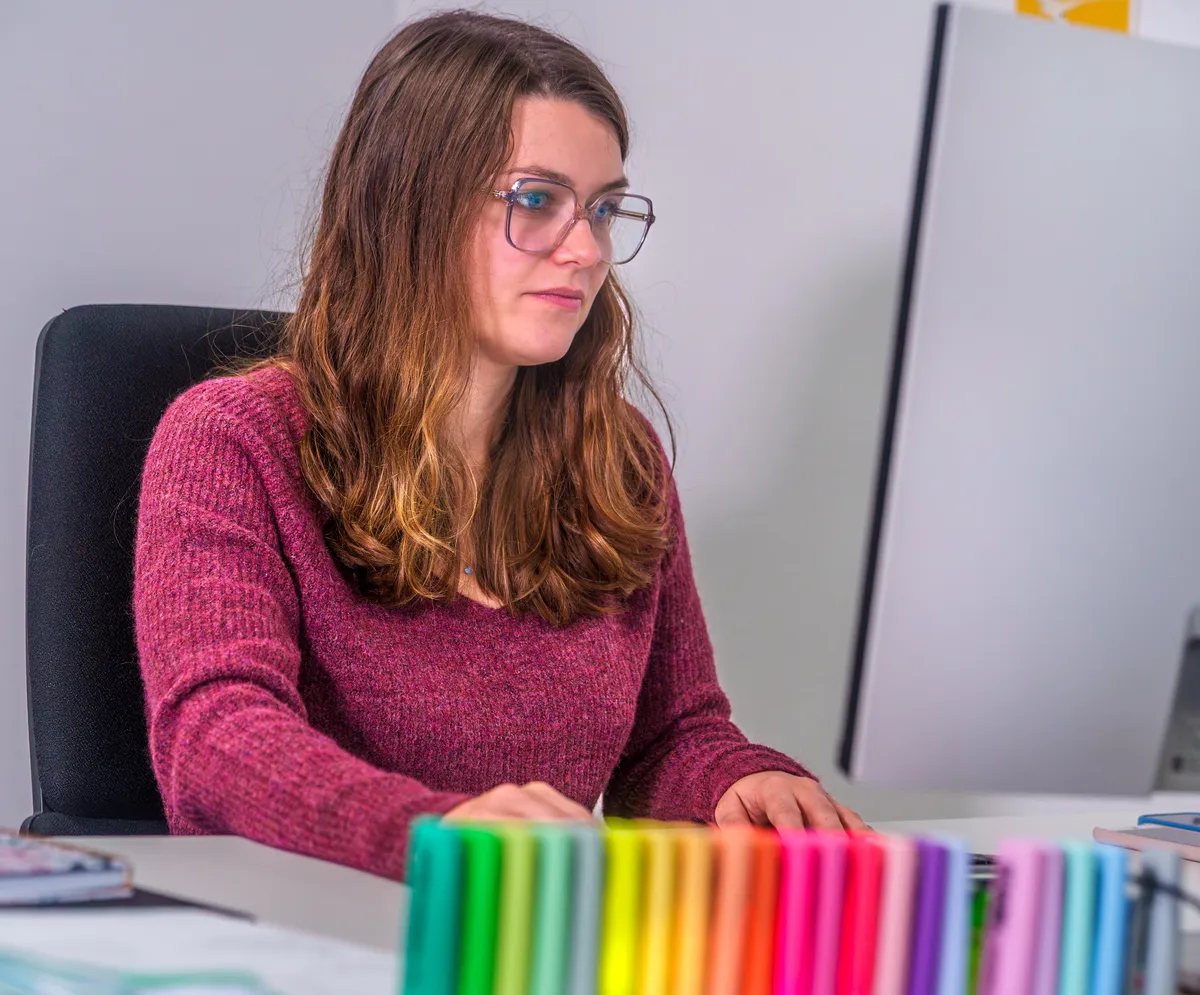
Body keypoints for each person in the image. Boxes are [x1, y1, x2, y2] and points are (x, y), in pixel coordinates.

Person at [132, 9, 864, 882]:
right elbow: (216, 740)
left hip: (522, 940)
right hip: (308, 935)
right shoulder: (234, 440)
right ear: (412, 205)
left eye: (603, 209)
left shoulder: (618, 456)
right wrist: (437, 834)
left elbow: (670, 738)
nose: (587, 250)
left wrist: (738, 780)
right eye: (537, 201)